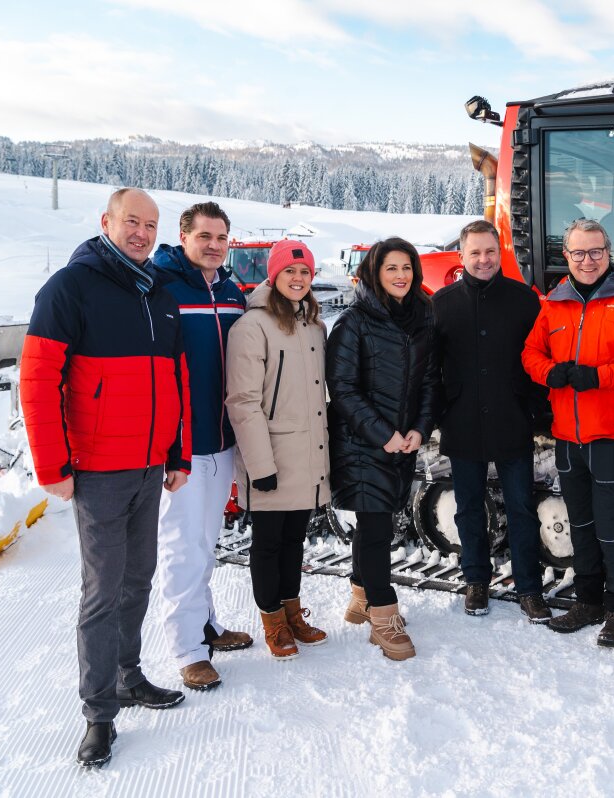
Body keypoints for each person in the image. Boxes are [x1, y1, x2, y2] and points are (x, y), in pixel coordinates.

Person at [20, 188, 191, 768]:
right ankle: (98, 715)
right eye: (131, 222)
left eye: (150, 224)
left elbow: (175, 382)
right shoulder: (72, 287)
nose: (141, 233)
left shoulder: (159, 294)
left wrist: (177, 453)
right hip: (96, 471)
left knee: (138, 578)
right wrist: (53, 465)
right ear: (106, 223)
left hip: (148, 467)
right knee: (102, 591)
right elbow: (38, 379)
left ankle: (127, 675)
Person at [522, 218, 614, 647]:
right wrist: (552, 372)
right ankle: (587, 600)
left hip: (612, 432)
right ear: (565, 257)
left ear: (609, 253)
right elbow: (530, 353)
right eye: (579, 253)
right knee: (580, 522)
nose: (588, 261)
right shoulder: (554, 304)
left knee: (610, 525)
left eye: (596, 252)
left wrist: (599, 377)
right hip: (568, 432)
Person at [153, 202, 253, 692]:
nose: (214, 246)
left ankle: (205, 625)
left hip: (222, 439)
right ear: (184, 236)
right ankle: (186, 649)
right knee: (181, 546)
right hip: (182, 446)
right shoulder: (161, 288)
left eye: (221, 238)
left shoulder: (232, 292)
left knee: (205, 542)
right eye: (205, 237)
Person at [432, 220, 550, 622]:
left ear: (500, 254)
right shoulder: (442, 304)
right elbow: (432, 367)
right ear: (461, 257)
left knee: (521, 507)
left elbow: (538, 360)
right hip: (462, 420)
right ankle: (476, 580)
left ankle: (529, 588)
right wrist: (438, 411)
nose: (484, 260)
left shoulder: (524, 300)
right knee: (468, 508)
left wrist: (535, 410)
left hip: (510, 418)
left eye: (490, 252)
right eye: (475, 253)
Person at [326, 237, 436, 661]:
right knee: (375, 529)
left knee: (382, 523)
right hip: (362, 443)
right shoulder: (354, 322)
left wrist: (419, 430)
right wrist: (383, 434)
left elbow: (429, 382)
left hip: (402, 443)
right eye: (391, 268)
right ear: (374, 272)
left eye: (407, 267)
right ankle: (383, 618)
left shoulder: (422, 318)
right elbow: (343, 389)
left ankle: (360, 596)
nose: (401, 275)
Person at [225, 240, 331, 659]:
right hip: (270, 457)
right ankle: (272, 620)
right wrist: (259, 465)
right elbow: (243, 402)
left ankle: (292, 612)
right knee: (268, 544)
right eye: (290, 271)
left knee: (294, 541)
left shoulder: (313, 325)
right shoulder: (252, 327)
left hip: (305, 454)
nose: (298, 279)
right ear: (274, 275)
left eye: (305, 272)